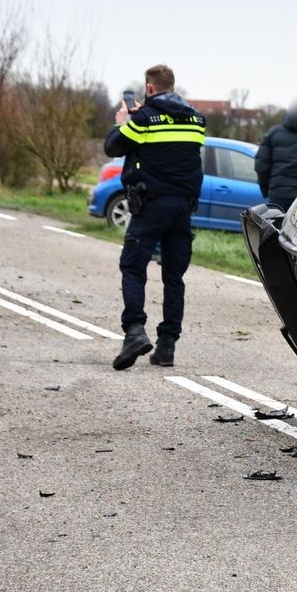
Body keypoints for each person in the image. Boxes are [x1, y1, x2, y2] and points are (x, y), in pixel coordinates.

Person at [104, 64, 205, 370]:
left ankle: (134, 331)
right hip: (182, 209)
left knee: (133, 268)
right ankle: (167, 347)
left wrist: (124, 120)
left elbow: (113, 147)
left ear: (149, 88)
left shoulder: (143, 120)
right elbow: (174, 142)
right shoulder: (196, 121)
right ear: (172, 86)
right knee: (174, 277)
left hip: (150, 206)